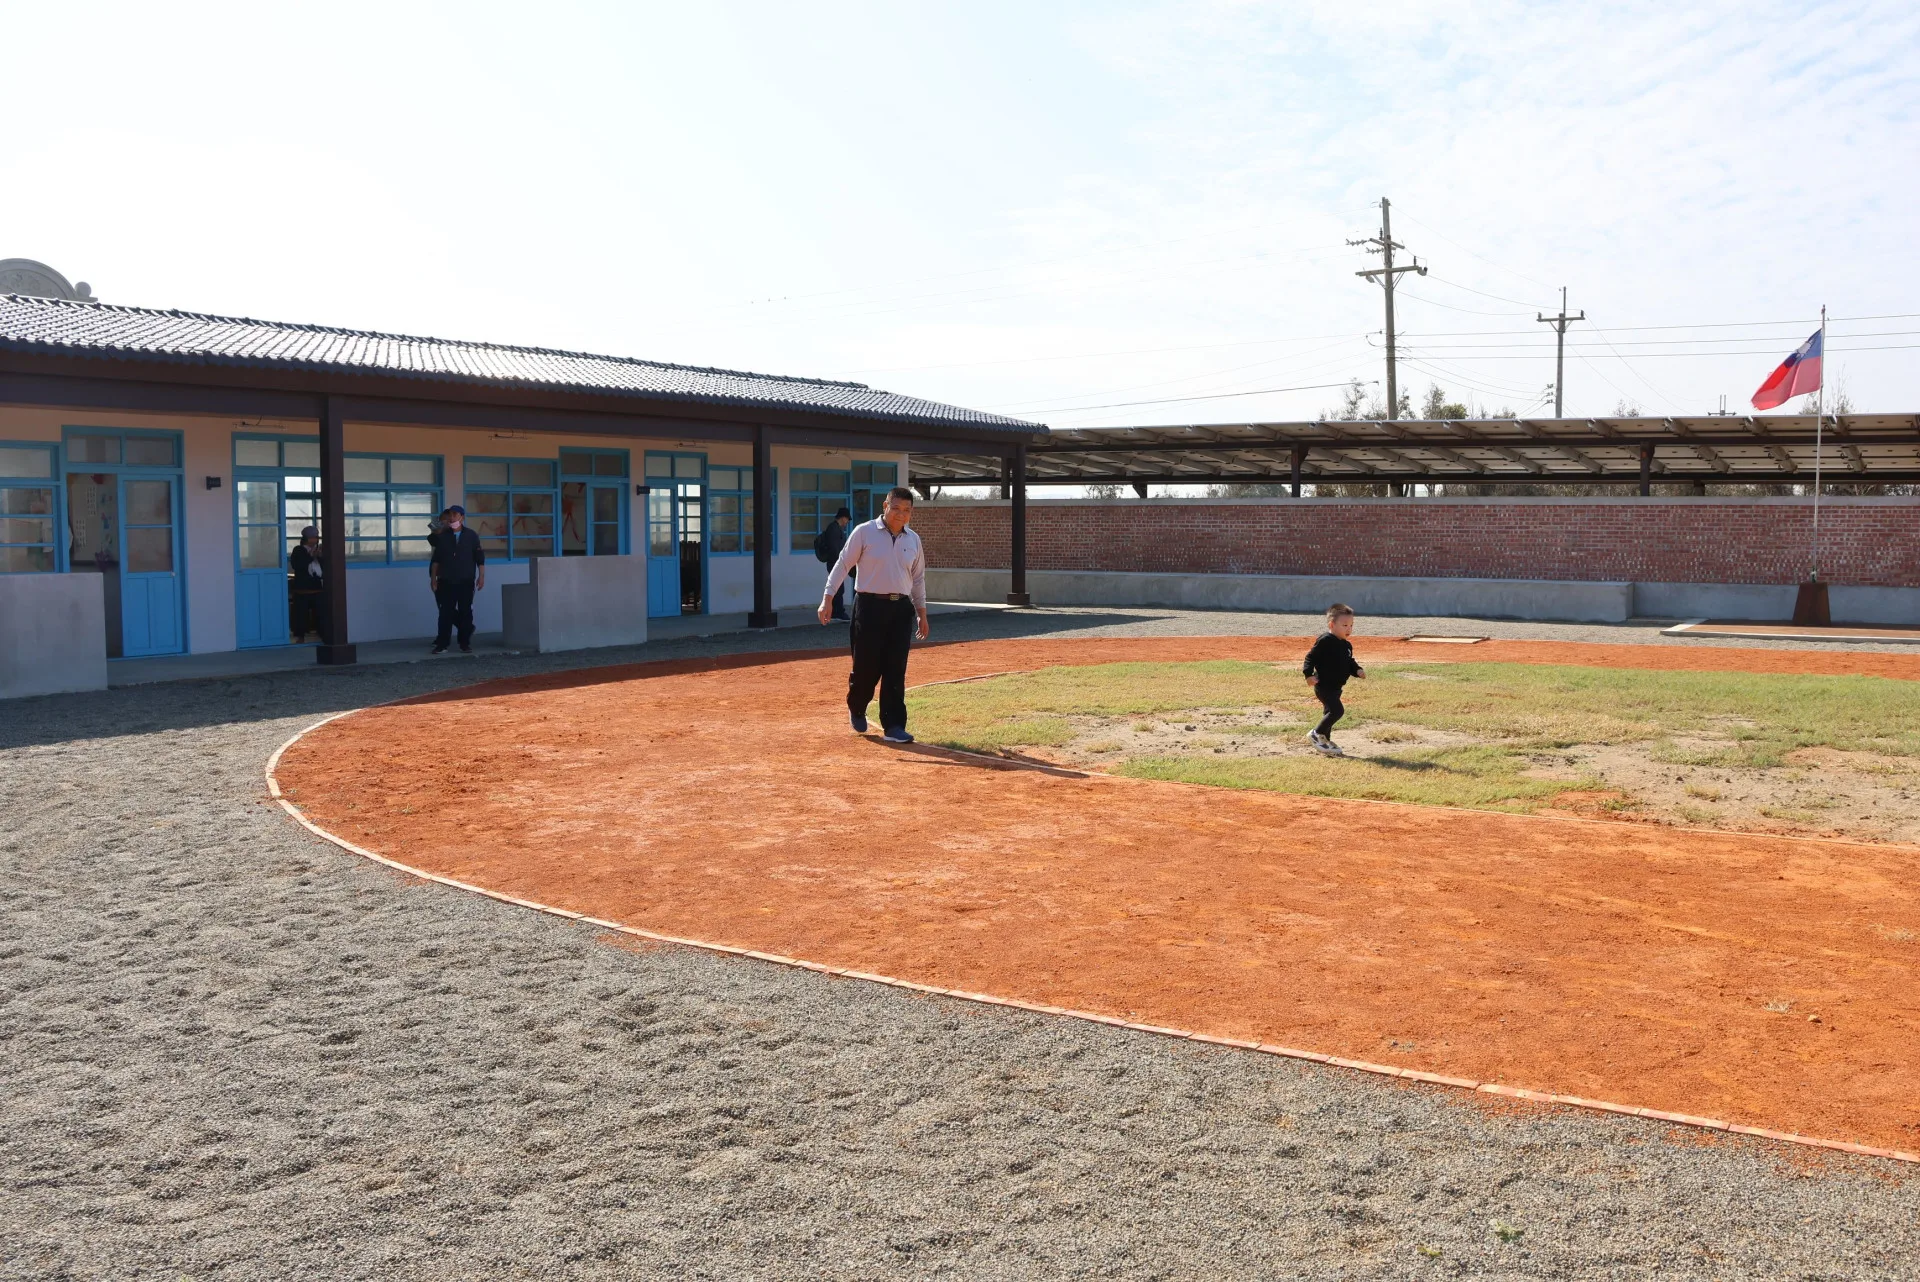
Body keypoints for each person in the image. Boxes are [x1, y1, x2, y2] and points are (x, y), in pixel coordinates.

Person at [818, 487, 927, 743]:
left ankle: (894, 725)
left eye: (907, 510)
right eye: (896, 508)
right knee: (866, 665)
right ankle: (857, 706)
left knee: (895, 668)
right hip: (869, 606)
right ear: (885, 506)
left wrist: (921, 613)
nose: (901, 514)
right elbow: (843, 564)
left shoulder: (913, 540)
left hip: (901, 609)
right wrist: (828, 598)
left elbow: (918, 578)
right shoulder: (864, 532)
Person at [1303, 602, 1365, 757]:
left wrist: (1357, 670)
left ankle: (1325, 744)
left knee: (1329, 713)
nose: (1349, 629)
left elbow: (1349, 661)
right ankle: (1316, 733)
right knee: (1337, 711)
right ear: (1332, 624)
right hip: (1323, 686)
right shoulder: (1325, 640)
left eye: (1351, 625)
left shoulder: (1347, 645)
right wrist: (1308, 674)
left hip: (1336, 687)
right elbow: (1311, 657)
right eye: (1344, 625)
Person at [428, 504, 485, 654]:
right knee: (445, 613)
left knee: (466, 611)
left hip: (466, 580)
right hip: (446, 580)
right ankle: (442, 644)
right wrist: (433, 579)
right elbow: (436, 559)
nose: (452, 518)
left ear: (462, 517)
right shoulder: (442, 536)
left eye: (455, 515)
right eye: (450, 515)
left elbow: (479, 558)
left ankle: (464, 643)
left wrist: (481, 577)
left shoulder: (471, 535)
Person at [813, 506, 854, 620]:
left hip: (837, 563)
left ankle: (837, 611)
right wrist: (841, 563)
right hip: (835, 563)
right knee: (838, 588)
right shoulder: (833, 528)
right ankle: (838, 612)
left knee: (839, 588)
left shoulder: (836, 528)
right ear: (843, 518)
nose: (847, 522)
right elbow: (834, 549)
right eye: (847, 519)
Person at [288, 526, 325, 643]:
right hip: (302, 588)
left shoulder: (318, 549)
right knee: (300, 614)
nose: (316, 539)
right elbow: (297, 565)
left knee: (320, 614)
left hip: (316, 587)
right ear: (307, 539)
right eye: (314, 537)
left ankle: (322, 634)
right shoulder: (298, 550)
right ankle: (300, 636)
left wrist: (320, 557)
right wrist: (311, 556)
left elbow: (324, 567)